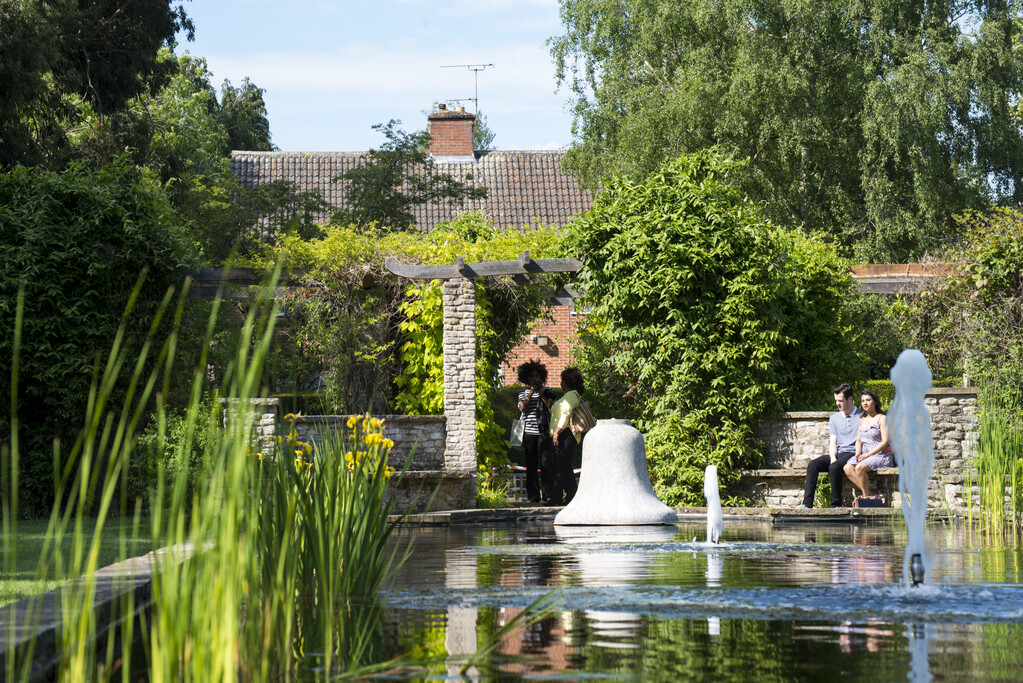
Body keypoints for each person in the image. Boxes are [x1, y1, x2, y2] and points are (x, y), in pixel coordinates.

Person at [799, 383, 862, 508]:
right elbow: (833, 442)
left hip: (853, 453)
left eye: (840, 401)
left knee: (834, 468)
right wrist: (833, 457)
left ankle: (836, 505)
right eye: (836, 400)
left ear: (850, 399)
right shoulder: (834, 418)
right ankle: (806, 504)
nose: (837, 403)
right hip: (839, 452)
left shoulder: (861, 415)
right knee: (813, 464)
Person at [844, 389, 895, 500]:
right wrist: (857, 454)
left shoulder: (882, 418)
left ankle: (866, 497)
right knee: (847, 468)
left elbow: (885, 441)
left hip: (880, 455)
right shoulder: (862, 419)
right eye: (863, 401)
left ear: (875, 402)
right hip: (864, 454)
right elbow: (858, 440)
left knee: (859, 468)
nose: (865, 403)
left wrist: (867, 455)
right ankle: (871, 494)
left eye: (868, 400)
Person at [517, 360, 554, 504]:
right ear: (527, 378)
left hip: (544, 431)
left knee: (546, 463)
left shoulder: (547, 390)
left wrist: (542, 393)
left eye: (537, 376)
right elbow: (522, 408)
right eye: (532, 376)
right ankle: (533, 496)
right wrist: (531, 393)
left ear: (542, 377)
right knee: (531, 464)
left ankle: (548, 494)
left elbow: (551, 406)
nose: (535, 379)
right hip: (529, 432)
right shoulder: (523, 393)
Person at [548, 367, 585, 506]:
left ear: (568, 381)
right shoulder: (568, 396)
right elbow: (559, 412)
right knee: (565, 467)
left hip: (566, 434)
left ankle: (555, 500)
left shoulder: (571, 395)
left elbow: (566, 413)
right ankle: (572, 497)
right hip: (565, 435)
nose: (560, 383)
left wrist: (557, 431)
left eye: (562, 380)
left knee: (559, 467)